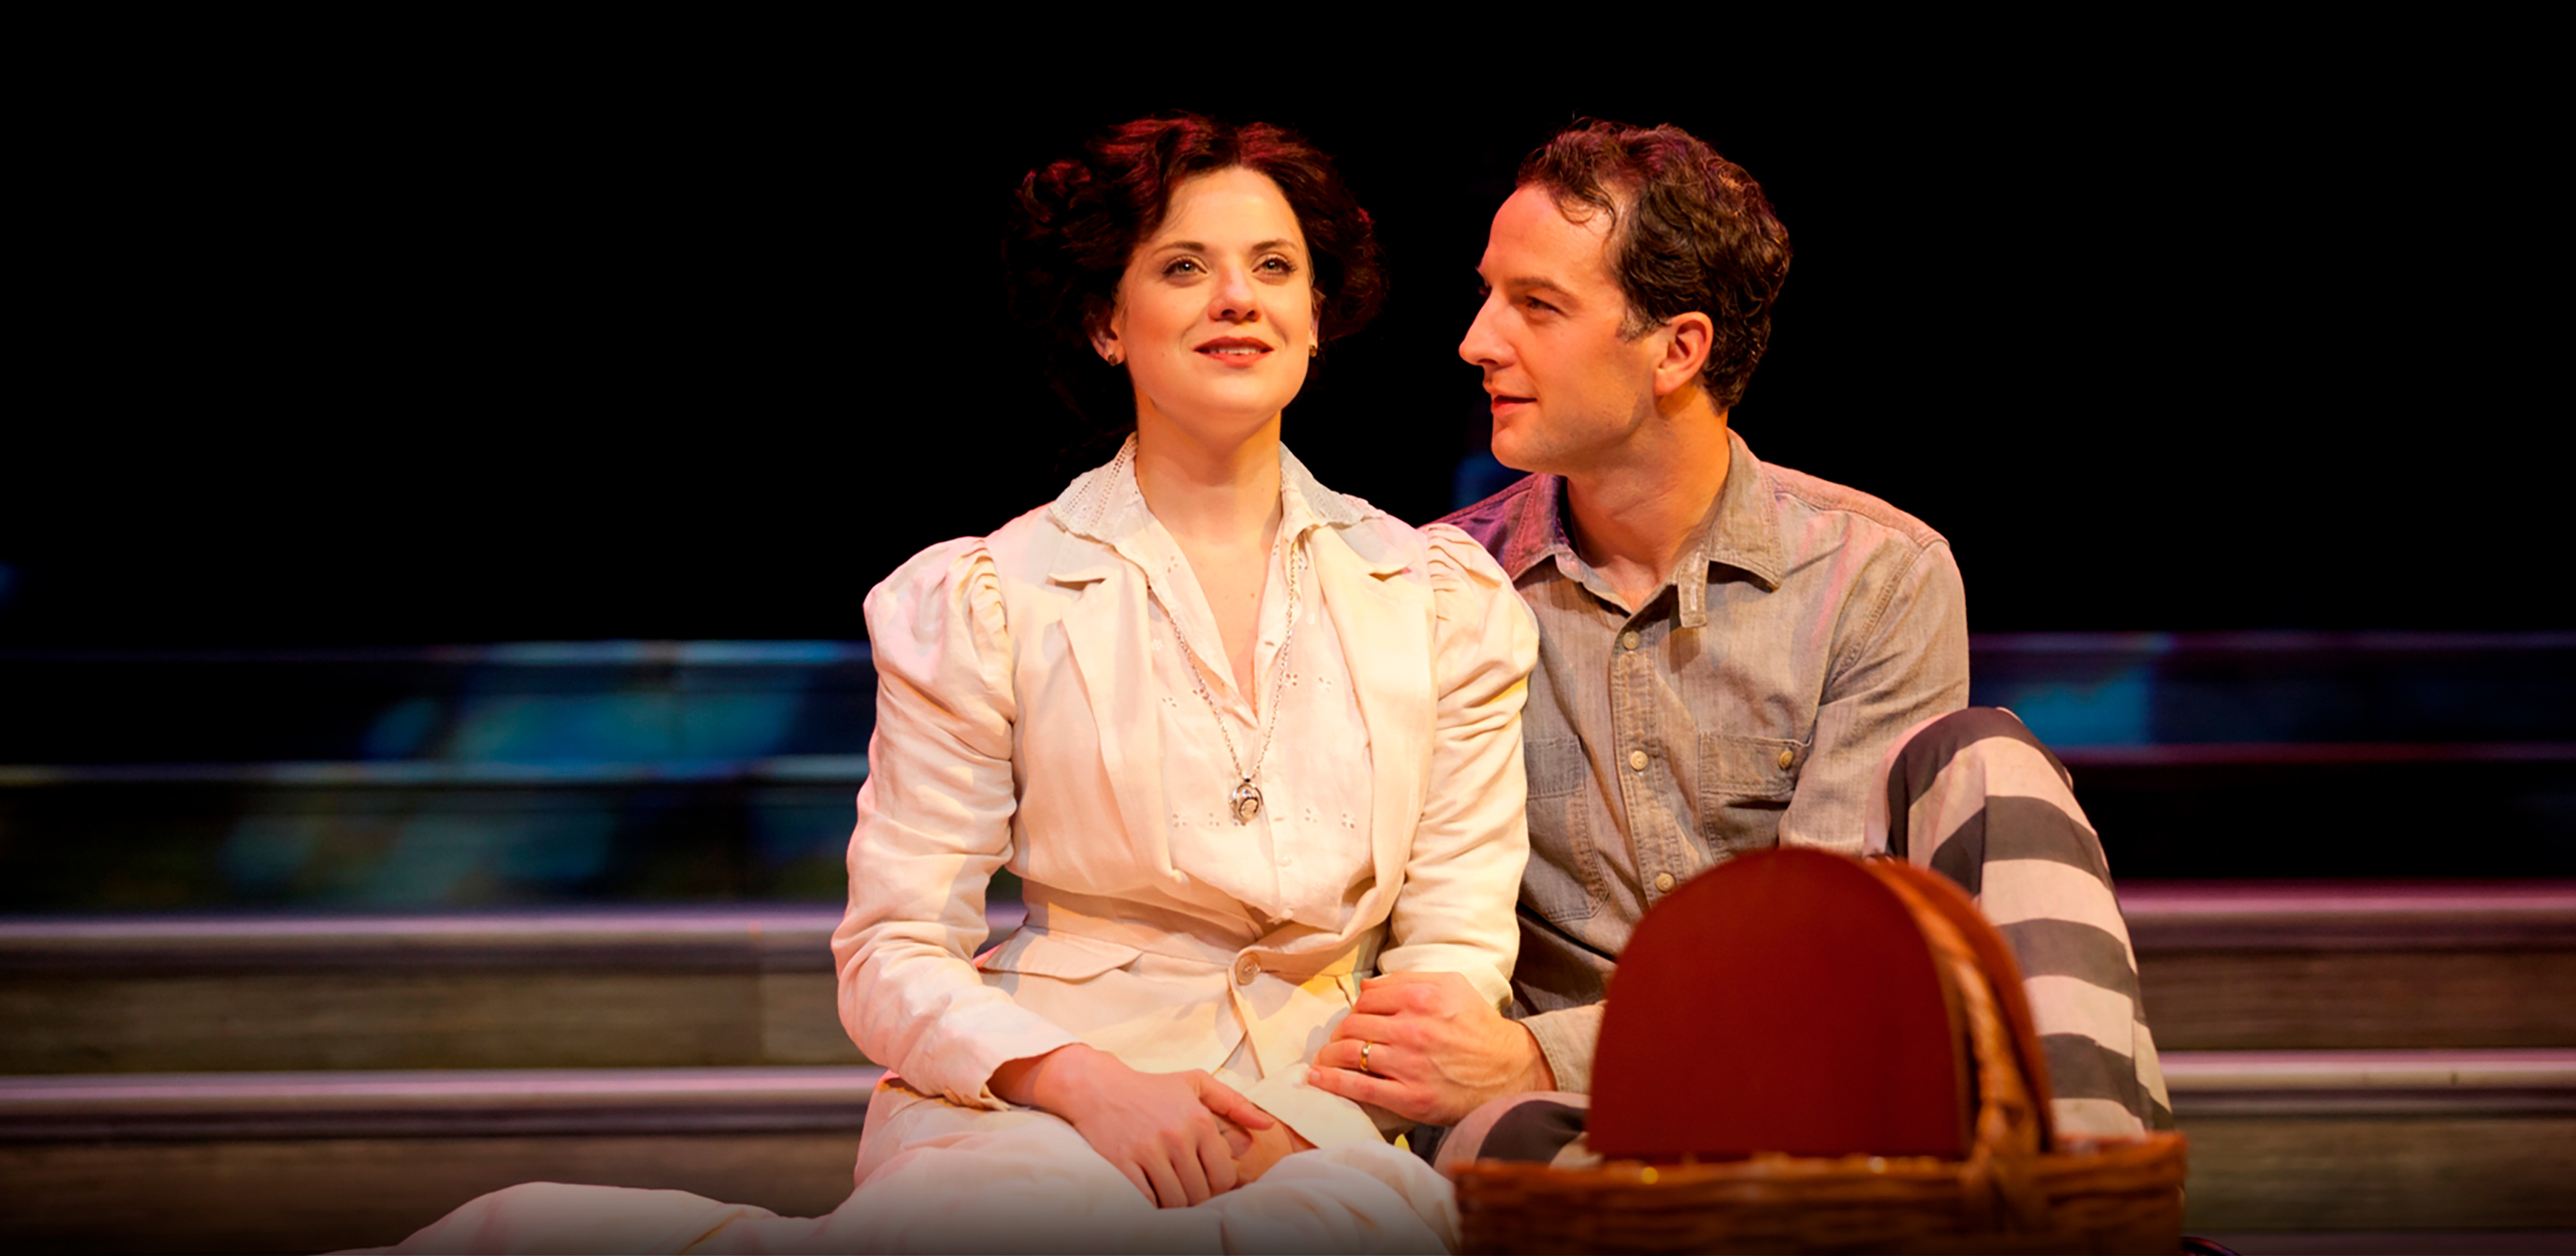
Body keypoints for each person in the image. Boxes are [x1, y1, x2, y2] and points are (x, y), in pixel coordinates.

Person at [370, 115, 1536, 1254]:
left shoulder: (1436, 597)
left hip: (1320, 1116)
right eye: (1185, 267)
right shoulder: (990, 596)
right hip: (1045, 1100)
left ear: (1317, 315)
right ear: (1106, 322)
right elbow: (894, 948)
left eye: (1274, 267)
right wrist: (1081, 1083)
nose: (1238, 298)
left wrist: (1299, 1125)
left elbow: (1453, 947)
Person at [1304, 119, 2171, 1166]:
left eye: (1537, 304)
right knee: (1497, 1138)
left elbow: (1822, 961)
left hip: (1830, 1082)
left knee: (1988, 756)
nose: (1478, 340)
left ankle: (2088, 1194)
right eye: (1490, 294)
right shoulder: (1438, 588)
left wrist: (1535, 1054)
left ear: (1678, 349)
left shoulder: (1875, 575)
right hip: (1597, 1125)